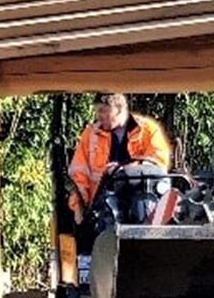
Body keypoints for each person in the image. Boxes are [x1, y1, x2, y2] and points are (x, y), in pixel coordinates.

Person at [67, 93, 172, 223]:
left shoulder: (148, 130)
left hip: (142, 198)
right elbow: (79, 175)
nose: (98, 116)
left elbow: (158, 164)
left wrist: (126, 169)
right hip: (103, 205)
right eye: (97, 111)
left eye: (103, 111)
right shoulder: (90, 135)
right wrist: (79, 207)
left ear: (119, 109)